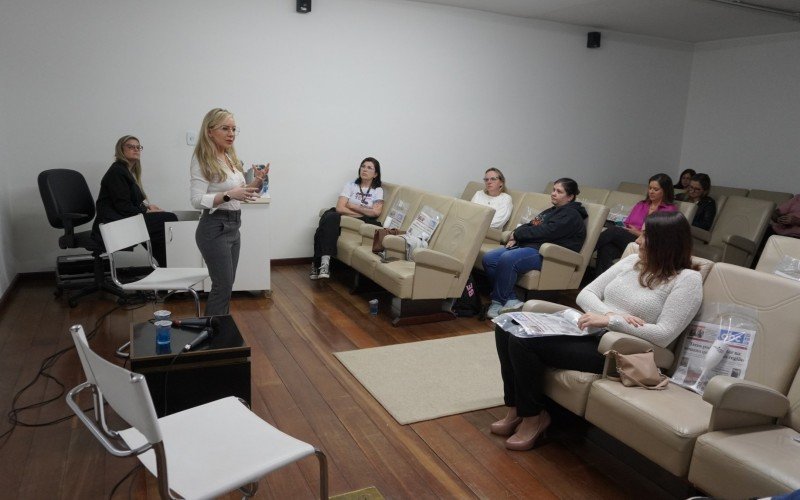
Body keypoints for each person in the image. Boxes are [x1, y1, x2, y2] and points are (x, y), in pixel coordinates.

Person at [492, 211, 703, 451]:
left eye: (645, 235)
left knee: (524, 341)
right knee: (507, 325)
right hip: (589, 332)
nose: (637, 240)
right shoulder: (632, 261)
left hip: (620, 350)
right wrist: (609, 316)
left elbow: (664, 334)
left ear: (666, 242)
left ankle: (533, 418)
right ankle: (515, 410)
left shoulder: (687, 280)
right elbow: (586, 294)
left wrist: (611, 322)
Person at [189, 108, 267, 316]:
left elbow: (241, 192)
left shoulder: (230, 158)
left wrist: (258, 180)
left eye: (233, 129)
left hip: (234, 225)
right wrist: (228, 195)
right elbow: (196, 201)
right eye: (225, 128)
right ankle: (214, 335)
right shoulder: (202, 159)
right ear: (210, 131)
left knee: (227, 284)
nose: (231, 133)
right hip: (214, 227)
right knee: (222, 286)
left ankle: (217, 329)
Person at [483, 178, 587, 319]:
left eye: (559, 191)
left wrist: (518, 234)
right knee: (489, 258)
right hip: (530, 246)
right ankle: (511, 299)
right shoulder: (552, 210)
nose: (553, 193)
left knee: (508, 258)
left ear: (570, 197)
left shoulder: (571, 215)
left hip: (550, 255)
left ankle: (498, 302)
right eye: (553, 190)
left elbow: (546, 232)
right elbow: (531, 225)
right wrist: (515, 233)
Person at [92, 135, 178, 267]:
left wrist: (148, 208)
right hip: (112, 225)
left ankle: (166, 267)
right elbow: (123, 206)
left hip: (121, 219)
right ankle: (167, 267)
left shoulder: (126, 172)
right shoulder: (117, 171)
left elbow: (129, 202)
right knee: (168, 219)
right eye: (131, 147)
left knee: (163, 220)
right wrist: (146, 210)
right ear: (121, 150)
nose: (136, 149)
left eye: (138, 147)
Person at [311, 157, 384, 280]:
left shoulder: (377, 190)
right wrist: (363, 212)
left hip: (362, 221)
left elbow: (376, 212)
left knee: (329, 219)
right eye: (363, 166)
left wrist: (352, 205)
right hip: (349, 216)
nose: (364, 169)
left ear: (375, 174)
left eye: (369, 168)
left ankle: (316, 263)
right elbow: (340, 208)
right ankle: (325, 263)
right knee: (330, 216)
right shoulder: (350, 185)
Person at [594, 173, 677, 276]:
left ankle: (586, 250)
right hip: (628, 238)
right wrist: (626, 228)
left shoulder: (669, 210)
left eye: (656, 189)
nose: (651, 191)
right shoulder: (641, 204)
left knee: (614, 231)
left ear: (665, 191)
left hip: (648, 243)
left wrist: (637, 233)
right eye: (650, 188)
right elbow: (627, 223)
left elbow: (662, 238)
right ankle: (601, 283)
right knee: (606, 248)